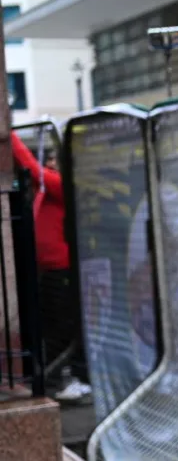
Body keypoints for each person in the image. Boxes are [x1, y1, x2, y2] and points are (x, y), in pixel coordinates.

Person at [10, 131, 92, 403]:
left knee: (59, 329)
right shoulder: (49, 187)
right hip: (50, 270)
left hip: (61, 270)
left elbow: (31, 168)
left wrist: (8, 134)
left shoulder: (62, 185)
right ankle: (54, 378)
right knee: (50, 328)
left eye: (58, 159)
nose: (53, 162)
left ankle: (59, 380)